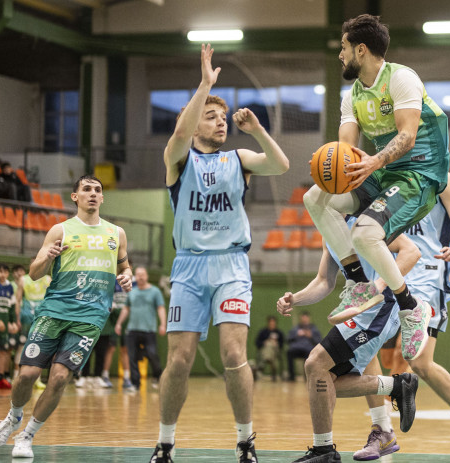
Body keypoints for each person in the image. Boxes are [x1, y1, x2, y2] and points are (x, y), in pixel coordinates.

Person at [154, 43, 289, 463]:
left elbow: (281, 165)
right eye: (209, 116)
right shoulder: (178, 158)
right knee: (179, 360)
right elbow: (178, 134)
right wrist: (205, 85)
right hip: (189, 266)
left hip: (231, 264)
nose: (218, 122)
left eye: (221, 117)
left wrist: (258, 131)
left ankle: (245, 439)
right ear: (194, 124)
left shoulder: (239, 157)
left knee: (234, 353)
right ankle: (165, 441)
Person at [302, 14, 450, 367]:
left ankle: (411, 307)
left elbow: (408, 135)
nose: (340, 54)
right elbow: (346, 149)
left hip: (419, 174)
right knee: (316, 197)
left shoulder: (401, 79)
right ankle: (356, 281)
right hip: (385, 173)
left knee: (367, 232)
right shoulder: (352, 95)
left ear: (361, 50)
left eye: (343, 47)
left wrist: (374, 161)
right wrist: (336, 165)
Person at [0, 174, 132, 458]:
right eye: (86, 189)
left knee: (58, 378)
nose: (93, 193)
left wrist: (126, 277)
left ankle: (27, 436)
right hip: (54, 311)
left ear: (102, 198)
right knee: (27, 374)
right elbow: (34, 272)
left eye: (98, 190)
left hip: (90, 318)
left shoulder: (117, 234)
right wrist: (47, 257)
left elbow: (124, 267)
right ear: (75, 197)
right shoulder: (60, 231)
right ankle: (13, 416)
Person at [355, 173, 450, 462]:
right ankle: (383, 429)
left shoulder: (442, 177)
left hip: (428, 274)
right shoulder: (385, 175)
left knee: (417, 360)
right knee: (364, 348)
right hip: (392, 269)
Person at [277, 221, 422, 463]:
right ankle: (396, 387)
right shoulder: (329, 231)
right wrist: (296, 299)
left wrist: (378, 287)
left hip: (381, 307)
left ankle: (324, 451)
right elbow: (324, 281)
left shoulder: (365, 223)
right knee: (323, 380)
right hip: (360, 311)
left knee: (315, 364)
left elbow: (411, 251)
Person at [115, 266, 166, 391]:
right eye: (138, 275)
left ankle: (157, 376)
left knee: (152, 354)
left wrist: (163, 324)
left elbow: (160, 308)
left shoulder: (155, 291)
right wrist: (119, 323)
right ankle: (135, 384)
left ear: (147, 276)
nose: (141, 277)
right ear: (135, 277)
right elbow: (126, 309)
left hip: (149, 330)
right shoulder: (132, 292)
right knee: (132, 357)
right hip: (132, 330)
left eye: (143, 274)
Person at [15, 259, 51, 388]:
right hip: (26, 316)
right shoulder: (23, 279)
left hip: (43, 316)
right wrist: (17, 319)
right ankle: (17, 376)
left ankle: (37, 378)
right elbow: (18, 301)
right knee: (22, 345)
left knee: (40, 346)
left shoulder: (48, 279)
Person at [285, 312, 322, 382]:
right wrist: (296, 335)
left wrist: (311, 336)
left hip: (308, 350)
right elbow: (288, 339)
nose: (304, 319)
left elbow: (319, 341)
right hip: (296, 348)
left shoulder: (314, 329)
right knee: (289, 352)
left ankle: (307, 377)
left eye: (306, 318)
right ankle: (291, 376)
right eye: (303, 318)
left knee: (309, 355)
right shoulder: (295, 329)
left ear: (309, 318)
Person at [254, 315, 285, 381]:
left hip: (275, 351)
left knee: (270, 346)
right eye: (271, 322)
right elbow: (257, 342)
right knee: (268, 345)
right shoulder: (263, 332)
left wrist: (277, 344)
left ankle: (264, 362)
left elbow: (282, 344)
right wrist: (264, 342)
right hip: (264, 351)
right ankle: (268, 358)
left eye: (273, 322)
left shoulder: (279, 333)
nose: (272, 324)